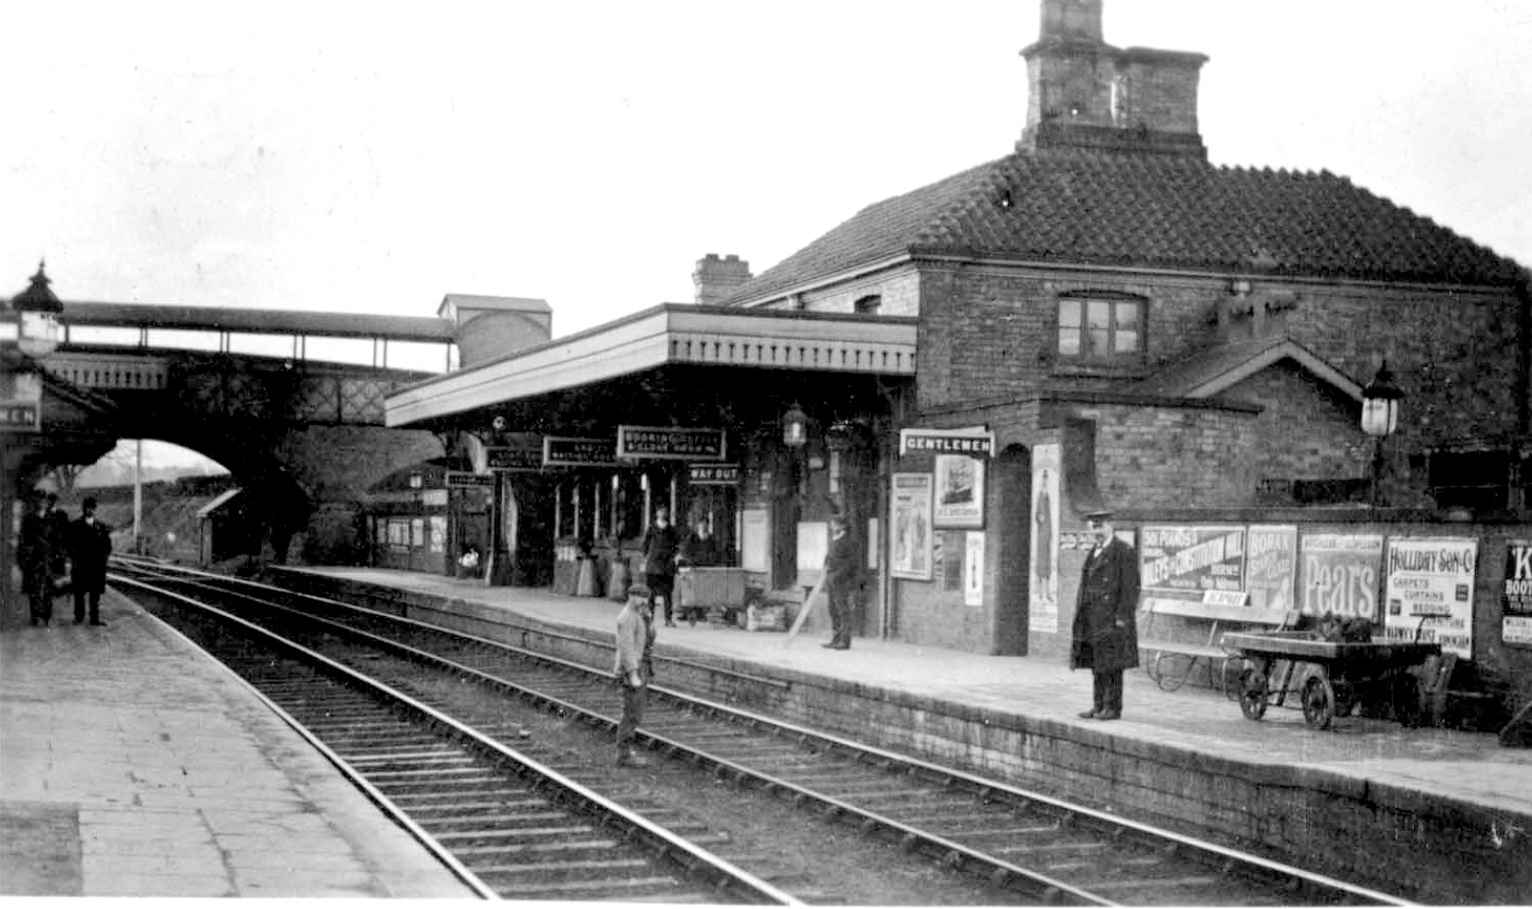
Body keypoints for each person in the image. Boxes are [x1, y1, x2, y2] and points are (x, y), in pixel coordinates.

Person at [1070, 509, 1140, 721]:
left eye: (1100, 527)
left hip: (1112, 619)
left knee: (1113, 665)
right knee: (1096, 664)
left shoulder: (1123, 551)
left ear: (1110, 526)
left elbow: (1131, 588)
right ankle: (1098, 704)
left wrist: (1122, 618)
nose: (1097, 532)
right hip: (1093, 618)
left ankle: (1113, 707)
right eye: (1093, 528)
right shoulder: (1095, 551)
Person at [612, 584, 656, 767]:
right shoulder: (627, 618)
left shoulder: (638, 615)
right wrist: (633, 674)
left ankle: (626, 751)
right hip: (633, 668)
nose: (644, 601)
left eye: (646, 598)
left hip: (641, 665)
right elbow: (627, 648)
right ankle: (623, 755)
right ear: (631, 596)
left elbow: (648, 637)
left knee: (635, 712)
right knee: (631, 713)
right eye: (640, 597)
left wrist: (648, 619)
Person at [68, 496, 113, 627]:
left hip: (96, 566)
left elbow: (107, 545)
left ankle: (95, 618)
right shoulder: (75, 526)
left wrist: (103, 558)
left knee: (95, 594)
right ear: (84, 509)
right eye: (88, 508)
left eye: (92, 508)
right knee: (79, 593)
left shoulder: (101, 526)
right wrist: (75, 559)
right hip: (81, 565)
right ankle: (79, 617)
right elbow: (70, 545)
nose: (90, 510)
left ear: (95, 509)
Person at [639, 505, 681, 628]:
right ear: (657, 513)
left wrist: (674, 557)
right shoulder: (651, 528)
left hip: (667, 565)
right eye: (660, 511)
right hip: (653, 564)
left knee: (668, 593)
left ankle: (668, 619)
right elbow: (645, 545)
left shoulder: (671, 529)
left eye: (664, 511)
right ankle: (650, 618)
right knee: (651, 593)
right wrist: (644, 559)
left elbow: (676, 545)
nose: (662, 513)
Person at [822, 514, 859, 650]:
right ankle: (835, 638)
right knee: (832, 609)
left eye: (835, 524)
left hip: (842, 581)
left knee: (843, 610)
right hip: (832, 579)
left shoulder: (848, 541)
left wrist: (837, 575)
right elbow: (830, 557)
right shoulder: (834, 539)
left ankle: (844, 640)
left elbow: (851, 563)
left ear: (842, 526)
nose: (832, 527)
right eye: (832, 524)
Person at [18, 492, 54, 627]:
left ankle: (46, 616)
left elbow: (57, 539)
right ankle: (35, 616)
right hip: (33, 559)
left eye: (44, 501)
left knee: (48, 590)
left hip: (48, 559)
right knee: (34, 590)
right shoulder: (28, 519)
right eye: (39, 501)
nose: (42, 503)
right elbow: (23, 540)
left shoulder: (51, 519)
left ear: (47, 503)